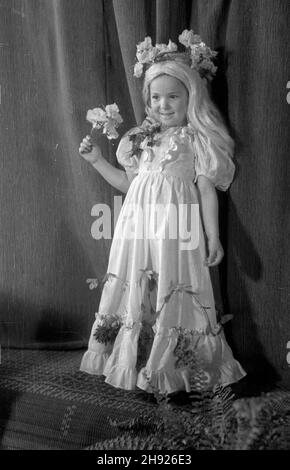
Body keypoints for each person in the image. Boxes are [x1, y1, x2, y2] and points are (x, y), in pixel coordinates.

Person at [79, 31, 246, 394]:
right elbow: (128, 184)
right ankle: (132, 361)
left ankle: (172, 368)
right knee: (137, 285)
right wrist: (95, 162)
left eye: (173, 96)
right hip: (137, 232)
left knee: (173, 284)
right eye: (156, 97)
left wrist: (212, 236)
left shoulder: (195, 140)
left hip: (177, 232)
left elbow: (205, 189)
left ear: (191, 98)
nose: (164, 105)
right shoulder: (141, 139)